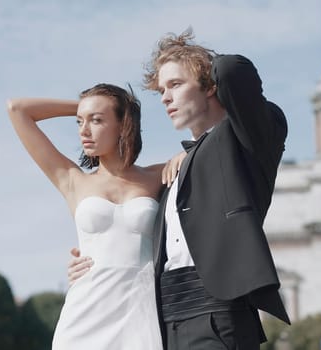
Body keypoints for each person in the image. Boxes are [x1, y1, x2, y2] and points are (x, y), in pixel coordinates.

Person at [69, 29, 290, 349]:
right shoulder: (177, 171)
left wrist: (198, 62)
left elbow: (231, 69)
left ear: (211, 86)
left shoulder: (248, 141)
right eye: (161, 89)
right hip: (162, 321)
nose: (165, 98)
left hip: (218, 315)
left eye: (175, 84)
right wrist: (90, 259)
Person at [7, 83, 183, 349]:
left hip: (140, 309)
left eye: (97, 120)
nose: (83, 130)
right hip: (86, 309)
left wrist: (185, 154)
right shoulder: (72, 180)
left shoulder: (159, 176)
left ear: (124, 124)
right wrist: (84, 107)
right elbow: (18, 109)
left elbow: (210, 151)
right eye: (80, 121)